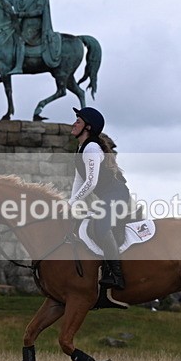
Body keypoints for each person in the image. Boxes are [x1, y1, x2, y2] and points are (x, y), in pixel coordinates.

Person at [68, 106, 132, 290]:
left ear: (87, 127)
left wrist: (73, 202)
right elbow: (79, 180)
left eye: (78, 121)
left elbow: (91, 182)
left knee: (101, 225)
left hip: (118, 194)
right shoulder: (81, 149)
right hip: (107, 196)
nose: (74, 124)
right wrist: (71, 205)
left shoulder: (92, 149)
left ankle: (116, 276)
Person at [0, 0, 61, 81]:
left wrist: (22, 14)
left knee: (20, 40)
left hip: (35, 26)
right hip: (26, 24)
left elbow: (39, 11)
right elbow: (15, 1)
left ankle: (19, 67)